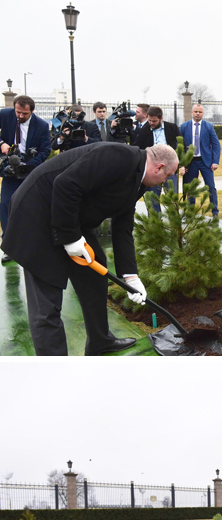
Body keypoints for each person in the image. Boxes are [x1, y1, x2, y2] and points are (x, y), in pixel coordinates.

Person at [2, 137, 178, 355]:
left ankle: (100, 341)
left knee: (95, 275)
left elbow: (123, 227)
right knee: (47, 299)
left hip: (71, 215)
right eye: (167, 177)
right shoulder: (118, 156)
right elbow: (65, 184)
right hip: (37, 213)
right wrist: (71, 237)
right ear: (159, 167)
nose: (164, 182)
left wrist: (131, 276)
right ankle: (53, 367)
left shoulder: (138, 179)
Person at [0, 96, 51, 235]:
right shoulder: (4, 115)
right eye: (18, 112)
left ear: (32, 111)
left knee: (31, 206)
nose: (20, 116)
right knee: (6, 205)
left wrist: (28, 165)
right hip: (8, 168)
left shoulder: (42, 125)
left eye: (25, 113)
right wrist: (1, 143)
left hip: (30, 170)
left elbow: (46, 150)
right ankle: (8, 243)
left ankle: (30, 241)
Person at [179, 105, 221, 215]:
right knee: (191, 188)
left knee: (211, 187)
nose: (198, 114)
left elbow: (216, 144)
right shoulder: (184, 126)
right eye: (196, 111)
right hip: (190, 162)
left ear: (203, 113)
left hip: (205, 162)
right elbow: (179, 145)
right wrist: (182, 163)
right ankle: (191, 212)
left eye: (200, 112)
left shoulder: (208, 127)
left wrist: (215, 161)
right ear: (192, 112)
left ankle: (215, 212)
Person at [137, 104, 179, 205]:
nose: (151, 123)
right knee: (152, 200)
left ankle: (173, 220)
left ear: (161, 119)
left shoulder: (172, 128)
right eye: (149, 120)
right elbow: (139, 148)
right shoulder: (144, 130)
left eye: (154, 121)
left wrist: (181, 165)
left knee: (172, 200)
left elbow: (181, 145)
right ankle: (154, 220)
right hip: (152, 170)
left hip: (169, 167)